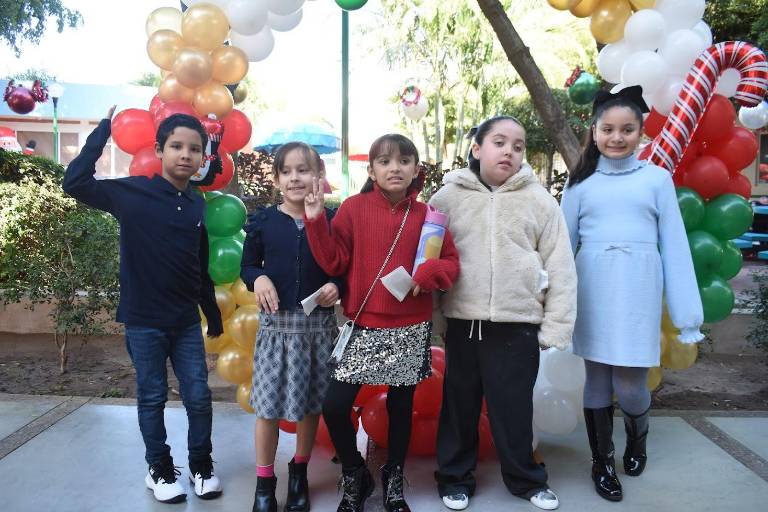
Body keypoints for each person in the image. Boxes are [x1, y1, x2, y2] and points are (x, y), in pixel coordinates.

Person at [63, 108, 224, 504]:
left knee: (199, 397)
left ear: (201, 157)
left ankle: (201, 466)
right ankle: (159, 468)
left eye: (194, 149)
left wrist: (212, 311)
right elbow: (75, 182)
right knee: (152, 398)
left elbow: (198, 263)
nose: (185, 154)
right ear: (159, 150)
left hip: (185, 321)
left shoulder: (196, 204)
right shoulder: (132, 193)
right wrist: (102, 131)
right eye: (176, 146)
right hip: (144, 321)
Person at [560, 86, 704, 502]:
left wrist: (687, 314)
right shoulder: (580, 183)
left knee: (629, 383)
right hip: (593, 288)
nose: (617, 137)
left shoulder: (657, 180)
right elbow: (561, 244)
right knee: (596, 379)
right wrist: (549, 295)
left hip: (638, 289)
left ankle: (637, 438)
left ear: (641, 132)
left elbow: (675, 246)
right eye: (608, 129)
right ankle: (602, 462)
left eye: (627, 129)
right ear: (594, 131)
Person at [303, 134, 460, 512]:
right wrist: (315, 221)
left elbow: (451, 263)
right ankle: (355, 472)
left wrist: (429, 274)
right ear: (371, 171)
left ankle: (394, 476)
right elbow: (334, 261)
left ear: (416, 170)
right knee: (335, 406)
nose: (395, 168)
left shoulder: (428, 216)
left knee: (401, 408)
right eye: (385, 161)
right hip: (363, 324)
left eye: (404, 161)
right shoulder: (353, 209)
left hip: (410, 325)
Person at [429, 115, 576, 511]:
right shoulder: (446, 199)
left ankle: (526, 480)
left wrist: (555, 326)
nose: (509, 151)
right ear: (477, 149)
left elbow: (561, 266)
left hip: (517, 325)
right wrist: (436, 317)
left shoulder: (539, 201)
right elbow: (429, 261)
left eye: (518, 145)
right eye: (499, 142)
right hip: (464, 324)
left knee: (514, 409)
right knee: (459, 406)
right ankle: (454, 478)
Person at [240, 142, 343, 512]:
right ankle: (264, 484)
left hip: (318, 330)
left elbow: (343, 267)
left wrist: (337, 286)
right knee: (267, 408)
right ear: (276, 178)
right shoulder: (264, 221)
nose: (295, 178)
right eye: (287, 171)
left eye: (304, 170)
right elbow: (247, 265)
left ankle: (299, 473)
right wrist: (258, 278)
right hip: (277, 330)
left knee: (312, 404)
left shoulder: (332, 220)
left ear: (319, 176)